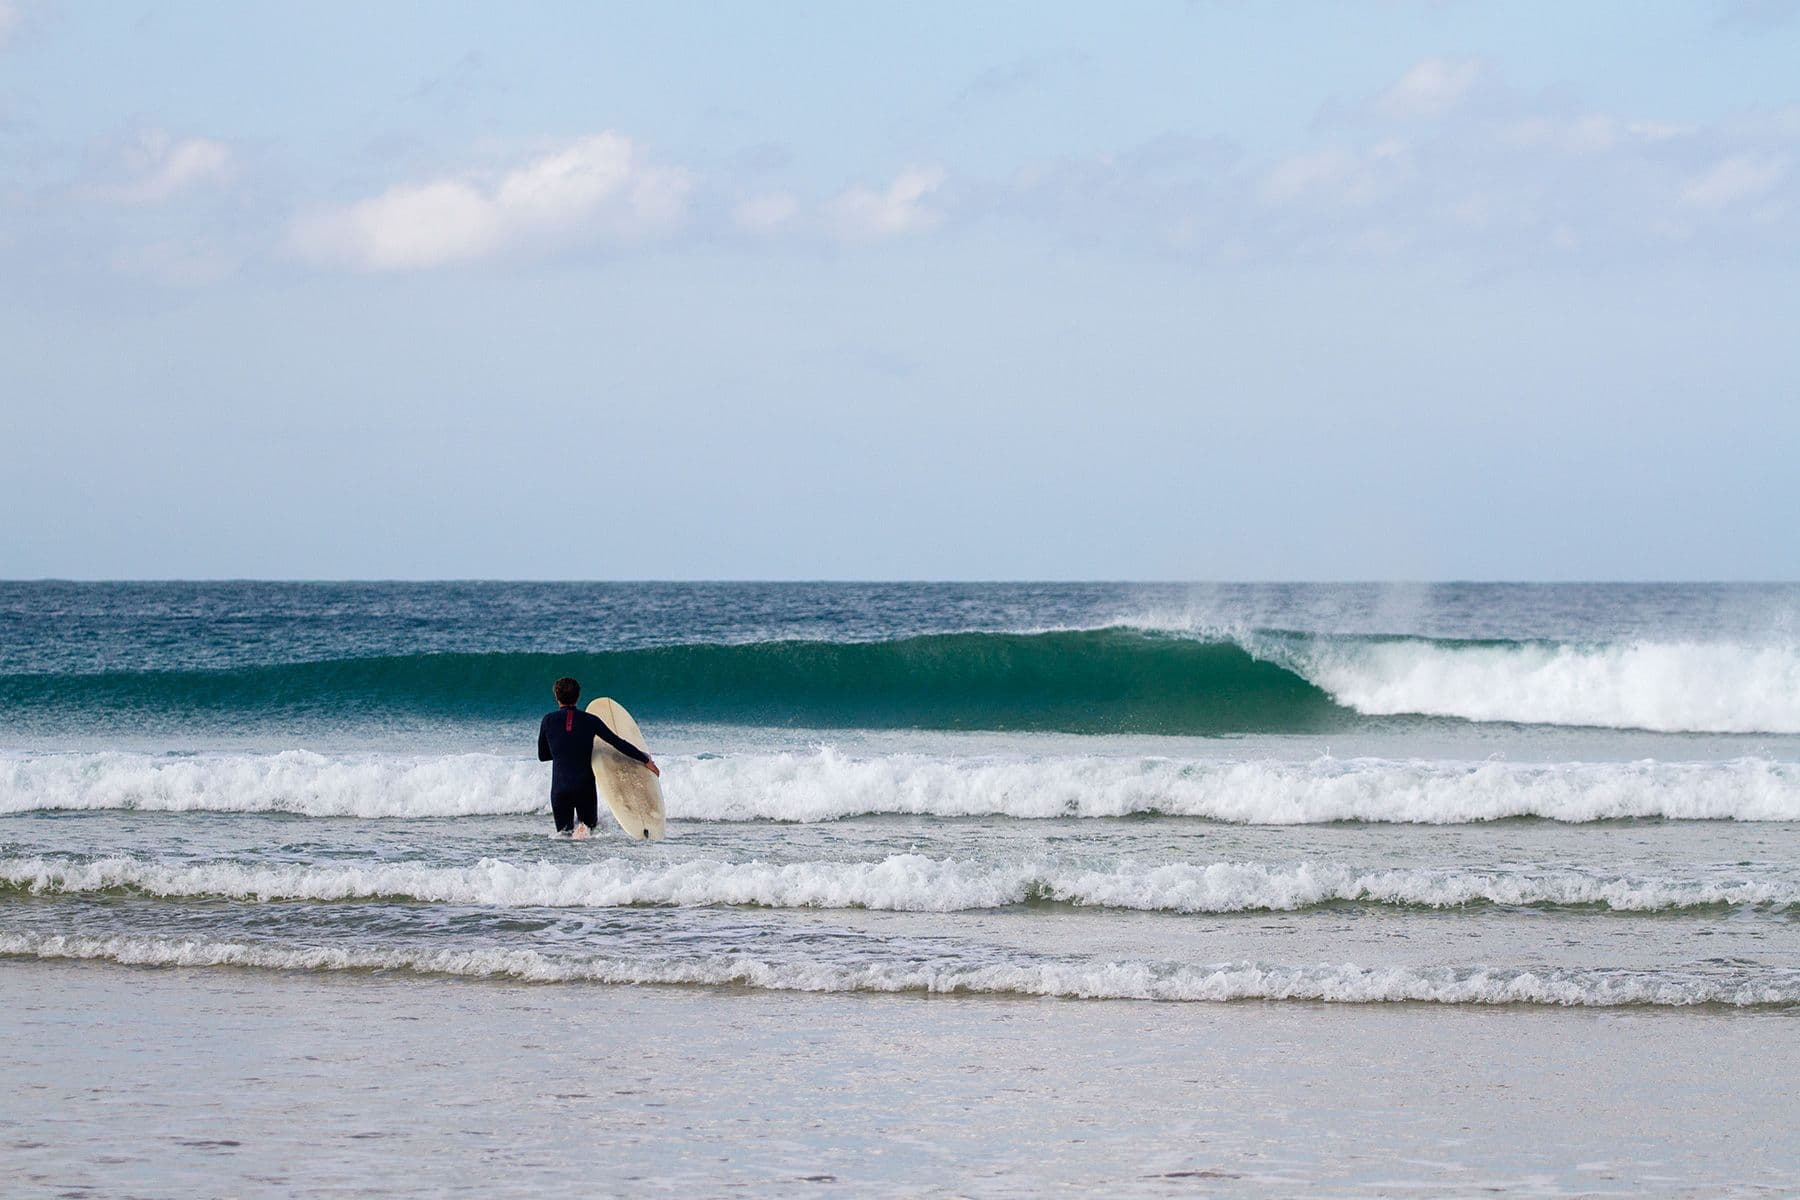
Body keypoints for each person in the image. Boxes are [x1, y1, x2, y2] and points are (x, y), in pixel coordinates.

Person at [537, 676, 659, 838]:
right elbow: (618, 742)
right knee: (588, 834)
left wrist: (564, 751)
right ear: (578, 696)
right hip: (584, 788)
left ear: (557, 697)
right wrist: (645, 759)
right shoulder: (590, 720)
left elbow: (543, 755)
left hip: (560, 789)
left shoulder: (548, 720)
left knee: (563, 837)